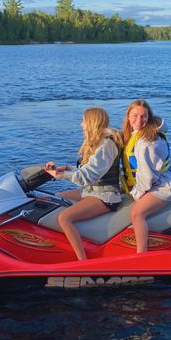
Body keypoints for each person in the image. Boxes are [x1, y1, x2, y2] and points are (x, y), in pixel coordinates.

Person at [45, 107, 122, 260]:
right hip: (91, 191)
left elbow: (89, 176)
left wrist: (61, 175)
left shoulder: (107, 145)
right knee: (55, 198)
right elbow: (88, 169)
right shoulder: (99, 143)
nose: (81, 125)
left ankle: (82, 261)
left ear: (92, 122)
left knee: (64, 218)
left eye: (84, 121)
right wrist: (66, 168)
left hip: (105, 196)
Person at [121, 99, 171, 253]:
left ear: (149, 117)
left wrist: (137, 193)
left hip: (162, 185)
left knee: (136, 213)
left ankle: (141, 254)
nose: (139, 120)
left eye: (143, 116)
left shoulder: (147, 141)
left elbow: (147, 175)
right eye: (135, 116)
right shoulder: (134, 135)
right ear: (128, 116)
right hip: (152, 181)